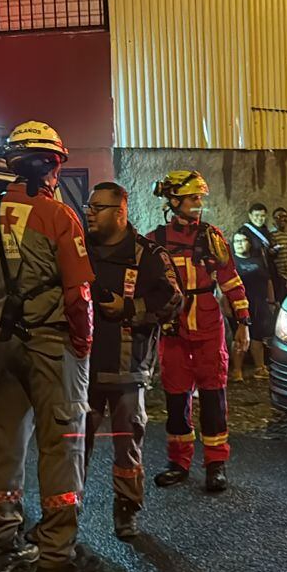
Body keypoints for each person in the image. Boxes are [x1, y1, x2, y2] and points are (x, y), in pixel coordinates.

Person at [0, 120, 99, 572]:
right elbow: (78, 294)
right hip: (50, 345)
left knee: (4, 446)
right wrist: (82, 343)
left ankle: (1, 544)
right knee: (61, 447)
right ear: (51, 165)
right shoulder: (58, 216)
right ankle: (58, 555)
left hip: (3, 347)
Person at [84, 182, 182, 540]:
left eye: (99, 207)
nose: (90, 212)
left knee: (128, 446)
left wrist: (129, 308)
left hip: (128, 370)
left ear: (121, 212)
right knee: (75, 446)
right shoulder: (80, 250)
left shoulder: (149, 256)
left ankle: (126, 510)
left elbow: (173, 299)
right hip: (83, 370)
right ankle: (64, 516)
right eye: (89, 206)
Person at [151, 170, 252, 493]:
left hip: (208, 327)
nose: (199, 204)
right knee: (176, 399)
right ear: (174, 201)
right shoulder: (155, 240)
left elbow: (231, 280)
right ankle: (178, 462)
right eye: (194, 198)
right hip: (173, 330)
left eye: (200, 199)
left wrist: (244, 322)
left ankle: (215, 463)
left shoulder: (212, 237)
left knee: (213, 397)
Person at [230, 230, 275, 380]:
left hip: (259, 304)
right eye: (236, 241)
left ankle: (259, 367)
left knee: (257, 337)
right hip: (241, 305)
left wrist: (271, 301)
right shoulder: (232, 262)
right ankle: (237, 370)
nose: (240, 244)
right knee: (240, 337)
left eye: (243, 240)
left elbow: (268, 280)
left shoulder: (258, 260)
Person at [270, 206, 287, 300]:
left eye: (285, 216)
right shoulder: (272, 235)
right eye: (279, 217)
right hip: (278, 275)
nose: (282, 219)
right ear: (274, 219)